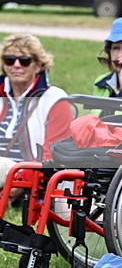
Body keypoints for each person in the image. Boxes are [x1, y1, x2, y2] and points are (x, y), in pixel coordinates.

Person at [0, 34, 73, 176]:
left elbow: (53, 155)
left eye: (24, 61)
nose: (16, 65)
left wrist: (15, 187)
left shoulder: (55, 99)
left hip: (29, 183)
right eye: (9, 60)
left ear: (38, 65)